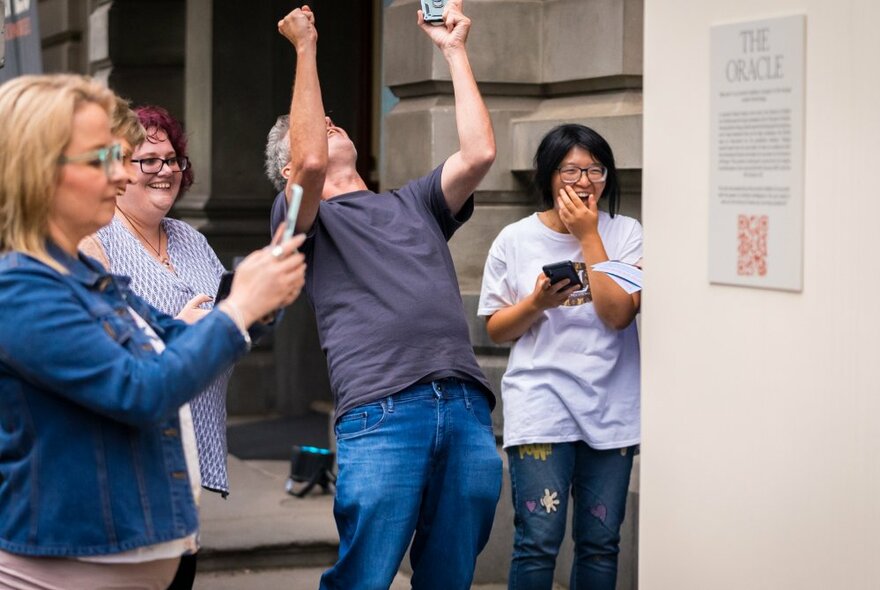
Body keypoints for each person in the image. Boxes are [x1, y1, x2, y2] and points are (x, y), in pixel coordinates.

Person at [0, 74, 305, 590]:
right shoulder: (19, 289)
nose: (121, 177)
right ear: (40, 172)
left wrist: (255, 296)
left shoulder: (79, 274)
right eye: (103, 158)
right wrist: (241, 307)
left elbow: (177, 335)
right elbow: (141, 391)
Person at [271, 2, 502, 588]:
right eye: (317, 125)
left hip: (465, 404)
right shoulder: (300, 217)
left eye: (333, 122)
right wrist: (305, 48)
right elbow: (311, 161)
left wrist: (454, 50)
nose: (330, 127)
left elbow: (479, 154)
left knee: (449, 578)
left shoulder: (413, 202)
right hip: (382, 411)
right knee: (365, 578)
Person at [477, 123, 642, 590]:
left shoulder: (626, 234)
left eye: (595, 170)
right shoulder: (514, 239)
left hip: (611, 408)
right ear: (549, 176)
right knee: (537, 541)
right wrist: (535, 304)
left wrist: (589, 237)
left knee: (600, 541)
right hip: (540, 404)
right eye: (572, 170)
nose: (585, 182)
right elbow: (494, 327)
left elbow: (617, 316)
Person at [79, 104, 236, 587]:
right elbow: (105, 346)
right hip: (135, 446)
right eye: (148, 160)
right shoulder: (93, 239)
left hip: (191, 442)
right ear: (117, 169)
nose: (165, 171)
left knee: (180, 568)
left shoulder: (189, 238)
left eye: (172, 160)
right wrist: (177, 328)